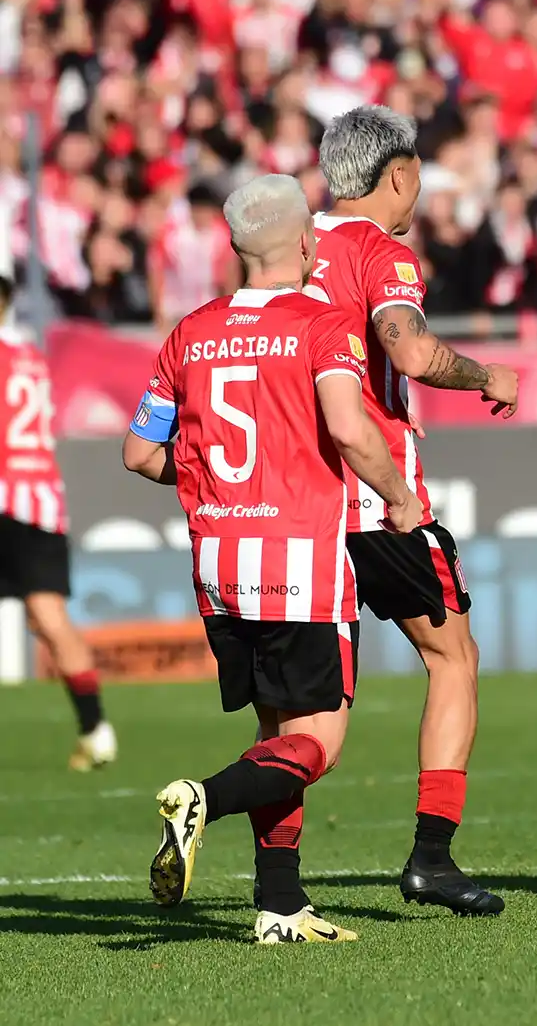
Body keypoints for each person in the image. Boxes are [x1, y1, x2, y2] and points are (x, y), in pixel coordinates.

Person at [122, 173, 423, 943]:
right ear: (309, 244)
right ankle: (204, 798)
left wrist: (216, 485)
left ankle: (281, 904)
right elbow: (349, 429)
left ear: (234, 247)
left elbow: (139, 453)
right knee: (318, 741)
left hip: (219, 562)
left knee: (277, 735)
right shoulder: (321, 323)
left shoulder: (190, 332)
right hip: (299, 562)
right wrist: (398, 496)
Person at [306, 106, 517, 918]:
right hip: (376, 499)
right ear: (399, 174)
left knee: (304, 712)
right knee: (453, 658)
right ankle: (432, 857)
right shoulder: (381, 251)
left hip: (298, 503)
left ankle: (272, 875)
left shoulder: (289, 245)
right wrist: (488, 376)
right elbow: (413, 349)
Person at [0, 247, 116, 772]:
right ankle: (96, 729)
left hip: (7, 494)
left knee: (45, 616)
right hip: (41, 497)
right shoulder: (29, 357)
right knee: (48, 614)